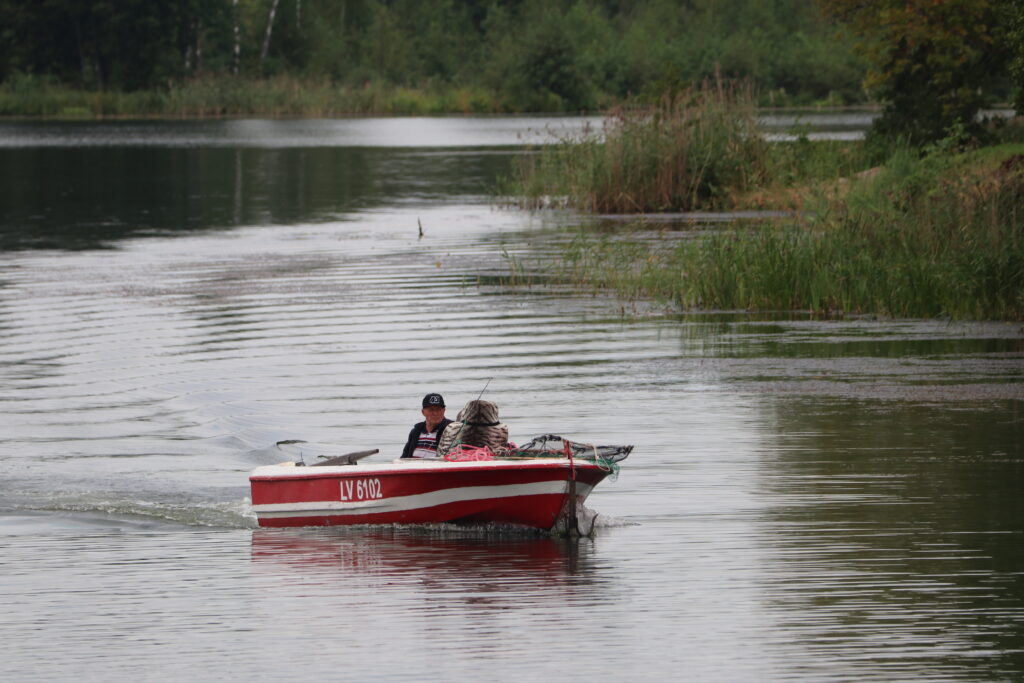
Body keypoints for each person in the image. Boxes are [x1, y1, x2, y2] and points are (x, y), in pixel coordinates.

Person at [437, 399, 509, 457]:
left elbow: (440, 453)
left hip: (454, 459)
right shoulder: (502, 429)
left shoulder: (451, 427)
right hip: (486, 460)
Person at [400, 393, 453, 459]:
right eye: (431, 410)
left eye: (438, 409)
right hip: (414, 467)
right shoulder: (416, 431)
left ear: (444, 411)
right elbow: (404, 457)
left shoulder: (452, 429)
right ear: (423, 412)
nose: (435, 413)